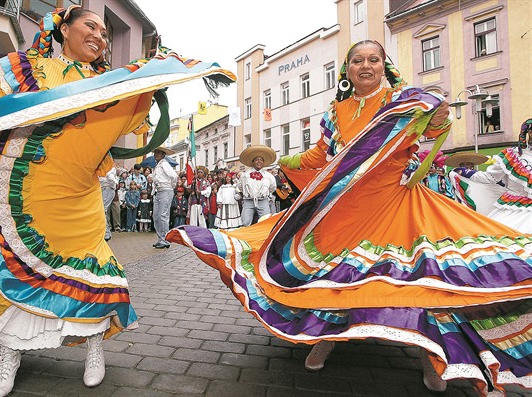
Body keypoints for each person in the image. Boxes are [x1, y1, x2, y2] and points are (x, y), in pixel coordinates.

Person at [0, 5, 234, 397]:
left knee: (91, 270)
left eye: (105, 32)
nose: (100, 36)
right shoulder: (28, 69)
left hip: (80, 194)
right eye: (90, 26)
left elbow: (128, 125)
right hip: (28, 192)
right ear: (63, 29)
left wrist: (154, 77)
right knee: (15, 271)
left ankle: (95, 349)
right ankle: (9, 357)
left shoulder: (110, 83)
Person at [167, 40, 532, 396]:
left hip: (396, 203)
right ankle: (324, 339)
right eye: (358, 60)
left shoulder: (401, 101)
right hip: (346, 209)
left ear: (384, 67)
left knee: (420, 280)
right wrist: (286, 162)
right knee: (333, 275)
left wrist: (438, 119)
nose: (366, 66)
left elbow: (434, 131)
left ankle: (432, 356)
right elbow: (319, 157)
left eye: (374, 59)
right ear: (348, 69)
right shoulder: (334, 111)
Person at [450, 118, 532, 233]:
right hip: (515, 210)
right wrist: (466, 173)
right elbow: (491, 177)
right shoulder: (512, 156)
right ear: (529, 132)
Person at [236, 145, 277, 226]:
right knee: (245, 222)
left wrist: (264, 193)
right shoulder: (245, 175)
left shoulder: (269, 176)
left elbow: (272, 188)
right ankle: (245, 238)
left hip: (263, 201)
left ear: (263, 162)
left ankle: (264, 238)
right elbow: (240, 187)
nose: (259, 162)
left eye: (261, 160)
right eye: (257, 160)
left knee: (266, 222)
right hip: (248, 201)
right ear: (253, 162)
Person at [152, 146, 178, 248]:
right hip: (159, 191)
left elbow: (174, 176)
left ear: (163, 155)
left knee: (163, 215)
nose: (156, 154)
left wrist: (171, 186)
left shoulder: (164, 164)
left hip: (166, 190)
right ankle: (161, 238)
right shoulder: (157, 166)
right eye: (155, 152)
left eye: (159, 153)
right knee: (156, 216)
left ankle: (164, 239)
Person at [98, 166, 118, 240]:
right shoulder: (103, 167)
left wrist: (115, 182)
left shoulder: (109, 167)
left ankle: (106, 234)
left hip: (107, 189)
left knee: (102, 210)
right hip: (105, 189)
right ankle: (107, 233)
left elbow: (110, 177)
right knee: (102, 211)